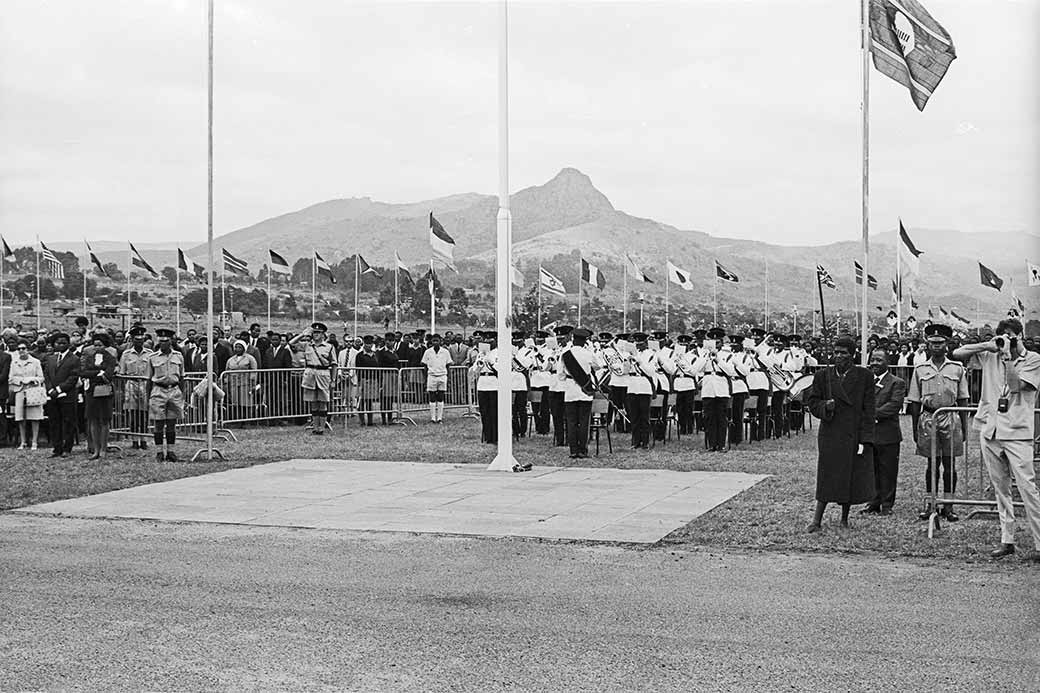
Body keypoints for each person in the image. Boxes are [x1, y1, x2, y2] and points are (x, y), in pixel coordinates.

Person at [953, 318, 1040, 560]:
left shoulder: (1033, 359)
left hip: (1017, 432)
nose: (1007, 341)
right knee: (1001, 490)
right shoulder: (991, 354)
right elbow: (957, 353)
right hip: (991, 429)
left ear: (1021, 336)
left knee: (1028, 489)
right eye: (1004, 336)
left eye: (1012, 336)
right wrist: (987, 345)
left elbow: (1015, 386)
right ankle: (1007, 540)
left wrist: (1009, 356)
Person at [805, 335, 875, 532]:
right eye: (835, 352)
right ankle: (816, 520)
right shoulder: (822, 376)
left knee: (849, 475)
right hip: (830, 433)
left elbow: (869, 410)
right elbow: (812, 402)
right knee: (827, 474)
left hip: (853, 432)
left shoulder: (864, 377)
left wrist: (866, 438)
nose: (838, 356)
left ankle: (844, 518)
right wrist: (825, 406)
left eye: (843, 353)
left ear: (852, 355)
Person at [907, 323, 968, 522]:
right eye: (932, 343)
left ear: (947, 344)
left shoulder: (957, 368)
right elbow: (914, 402)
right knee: (932, 464)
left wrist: (964, 428)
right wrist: (916, 428)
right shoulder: (920, 368)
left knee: (950, 464)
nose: (936, 346)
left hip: (950, 417)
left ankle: (948, 506)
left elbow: (963, 400)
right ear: (927, 344)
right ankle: (931, 504)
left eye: (940, 343)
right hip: (928, 417)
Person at [861, 348, 906, 515]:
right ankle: (873, 502)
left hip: (888, 435)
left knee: (888, 470)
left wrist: (869, 415)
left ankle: (887, 504)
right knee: (871, 470)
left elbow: (894, 405)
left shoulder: (896, 382)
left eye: (879, 360)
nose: (874, 363)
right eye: (872, 359)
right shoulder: (865, 381)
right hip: (869, 434)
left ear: (888, 362)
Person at [558, 327, 601, 459]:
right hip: (585, 391)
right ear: (585, 341)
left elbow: (560, 376)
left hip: (570, 391)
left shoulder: (565, 354)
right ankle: (583, 450)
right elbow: (597, 366)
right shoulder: (588, 354)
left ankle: (573, 451)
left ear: (573, 339)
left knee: (571, 422)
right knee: (584, 422)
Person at [288, 322, 337, 434]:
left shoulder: (329, 347)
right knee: (313, 402)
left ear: (323, 334)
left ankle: (322, 427)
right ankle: (315, 427)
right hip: (310, 374)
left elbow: (334, 364)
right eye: (314, 332)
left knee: (323, 402)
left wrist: (333, 380)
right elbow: (291, 343)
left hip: (323, 374)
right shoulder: (307, 345)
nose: (316, 334)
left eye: (318, 332)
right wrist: (302, 334)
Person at [148, 328, 185, 461]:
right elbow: (149, 379)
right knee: (158, 423)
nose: (163, 344)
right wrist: (149, 396)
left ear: (171, 341)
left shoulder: (178, 356)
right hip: (158, 390)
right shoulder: (152, 357)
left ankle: (170, 450)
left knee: (171, 422)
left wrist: (182, 394)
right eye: (161, 341)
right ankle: (159, 451)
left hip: (174, 390)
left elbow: (181, 377)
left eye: (166, 341)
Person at [81, 332, 118, 461]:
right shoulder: (90, 357)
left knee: (104, 420)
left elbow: (108, 375)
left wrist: (97, 374)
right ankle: (95, 449)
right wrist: (97, 373)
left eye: (100, 345)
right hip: (91, 391)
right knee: (93, 420)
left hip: (105, 392)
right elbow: (84, 372)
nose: (97, 347)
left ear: (105, 346)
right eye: (95, 345)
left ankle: (103, 448)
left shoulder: (110, 358)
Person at [43, 332, 80, 458]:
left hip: (67, 395)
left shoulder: (74, 359)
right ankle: (56, 448)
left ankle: (67, 448)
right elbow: (47, 375)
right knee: (54, 422)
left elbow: (73, 377)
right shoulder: (50, 358)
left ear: (68, 344)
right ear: (54, 344)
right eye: (58, 343)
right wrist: (50, 390)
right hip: (52, 396)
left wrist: (59, 389)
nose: (61, 345)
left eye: (64, 343)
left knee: (68, 422)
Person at [119, 326, 152, 449]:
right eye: (136, 340)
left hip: (144, 384)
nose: (139, 342)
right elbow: (122, 372)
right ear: (132, 340)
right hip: (131, 384)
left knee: (144, 415)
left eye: (141, 339)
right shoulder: (126, 354)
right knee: (133, 415)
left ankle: (143, 440)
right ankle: (134, 440)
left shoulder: (149, 354)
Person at [9, 340, 45, 449]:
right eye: (19, 349)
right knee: (20, 417)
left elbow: (41, 377)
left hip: (33, 391)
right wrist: (20, 381)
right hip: (20, 391)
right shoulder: (14, 362)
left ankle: (34, 441)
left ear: (28, 349)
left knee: (34, 417)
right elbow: (10, 378)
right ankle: (23, 441)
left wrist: (32, 379)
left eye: (23, 348)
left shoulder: (35, 362)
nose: (21, 351)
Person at [626, 333, 655, 450]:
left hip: (644, 387)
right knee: (634, 417)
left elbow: (650, 372)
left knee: (644, 417)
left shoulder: (651, 354)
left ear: (645, 343)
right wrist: (626, 361)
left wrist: (639, 361)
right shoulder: (631, 354)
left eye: (640, 344)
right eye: (636, 343)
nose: (638, 346)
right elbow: (625, 371)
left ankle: (645, 442)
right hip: (632, 386)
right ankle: (635, 441)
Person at [225, 340, 258, 424]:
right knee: (235, 402)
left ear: (244, 348)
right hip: (234, 383)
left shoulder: (250, 358)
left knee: (246, 402)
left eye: (240, 347)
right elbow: (227, 372)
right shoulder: (230, 360)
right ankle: (237, 420)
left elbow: (254, 370)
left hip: (246, 383)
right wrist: (226, 383)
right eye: (236, 347)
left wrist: (253, 383)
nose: (237, 349)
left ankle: (246, 421)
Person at [421, 333, 451, 423]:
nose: (435, 342)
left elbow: (448, 365)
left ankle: (439, 418)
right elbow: (424, 365)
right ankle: (433, 418)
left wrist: (448, 377)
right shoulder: (428, 352)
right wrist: (426, 377)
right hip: (432, 376)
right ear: (431, 342)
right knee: (432, 396)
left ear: (440, 341)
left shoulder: (445, 352)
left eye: (437, 341)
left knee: (441, 396)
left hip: (442, 375)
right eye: (433, 341)